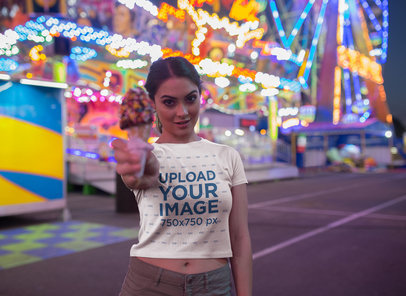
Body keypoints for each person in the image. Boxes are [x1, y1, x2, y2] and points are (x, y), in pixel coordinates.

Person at [112, 56, 252, 296]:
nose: (182, 112)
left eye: (190, 99)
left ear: (200, 95)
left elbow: (239, 238)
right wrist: (138, 167)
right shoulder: (148, 155)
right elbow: (144, 176)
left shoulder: (227, 156)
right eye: (169, 102)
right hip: (149, 285)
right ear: (153, 104)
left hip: (213, 287)